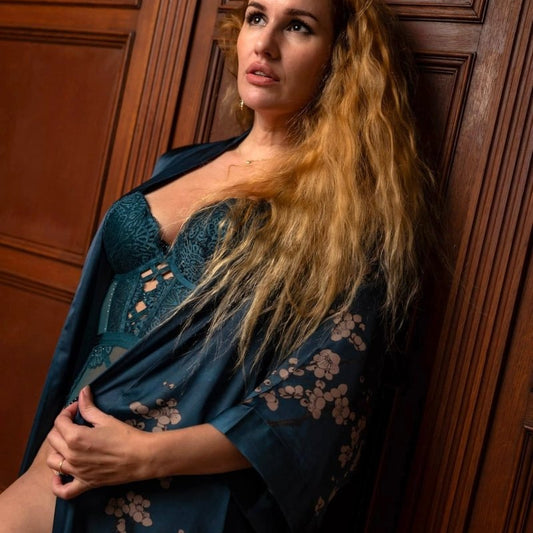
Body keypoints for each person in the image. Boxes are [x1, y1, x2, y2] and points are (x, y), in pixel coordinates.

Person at [0, 0, 436, 531]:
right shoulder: (183, 163)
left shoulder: (341, 213)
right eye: (257, 17)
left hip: (168, 478)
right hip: (74, 442)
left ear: (339, 56)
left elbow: (313, 405)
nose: (265, 43)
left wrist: (141, 456)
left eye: (298, 26)